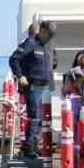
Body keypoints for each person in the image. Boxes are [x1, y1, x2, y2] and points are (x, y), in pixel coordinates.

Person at [8, 21, 55, 156]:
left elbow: (51, 62)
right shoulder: (30, 43)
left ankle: (34, 145)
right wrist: (20, 76)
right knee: (34, 116)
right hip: (33, 85)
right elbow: (13, 59)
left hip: (44, 85)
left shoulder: (45, 46)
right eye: (48, 34)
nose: (50, 37)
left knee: (41, 118)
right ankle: (30, 147)